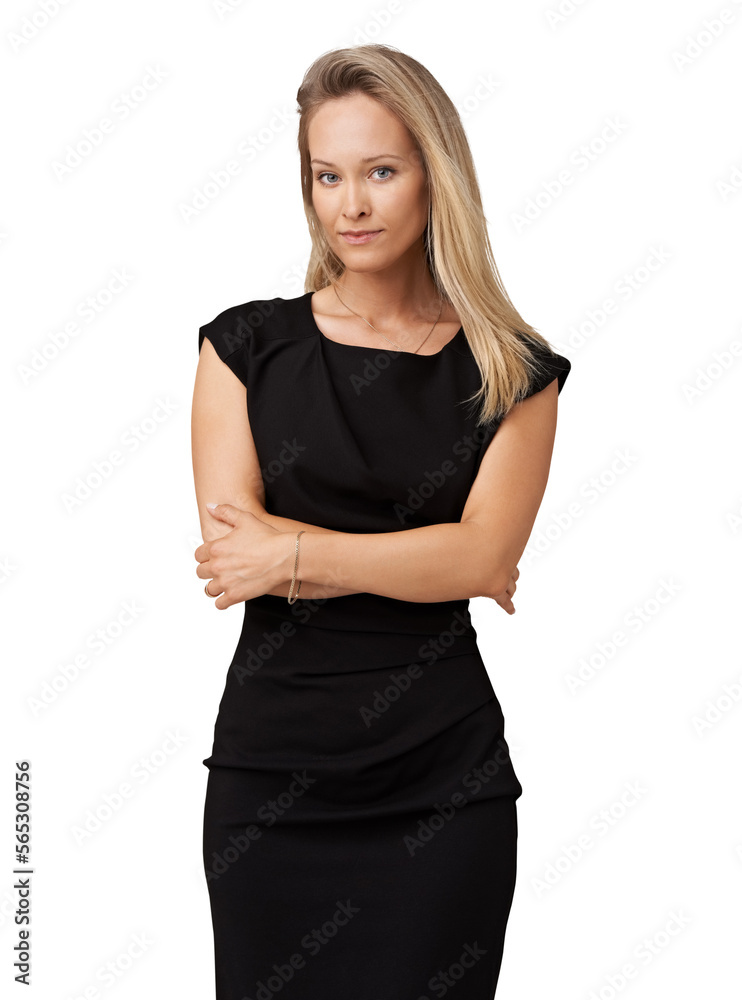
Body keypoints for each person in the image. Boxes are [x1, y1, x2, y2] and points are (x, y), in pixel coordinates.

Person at [192, 43, 571, 1000]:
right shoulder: (243, 348)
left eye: (381, 172)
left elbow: (486, 554)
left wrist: (301, 551)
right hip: (270, 784)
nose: (350, 205)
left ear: (434, 176)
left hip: (443, 791)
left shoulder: (512, 371)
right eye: (328, 175)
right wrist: (430, 559)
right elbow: (237, 559)